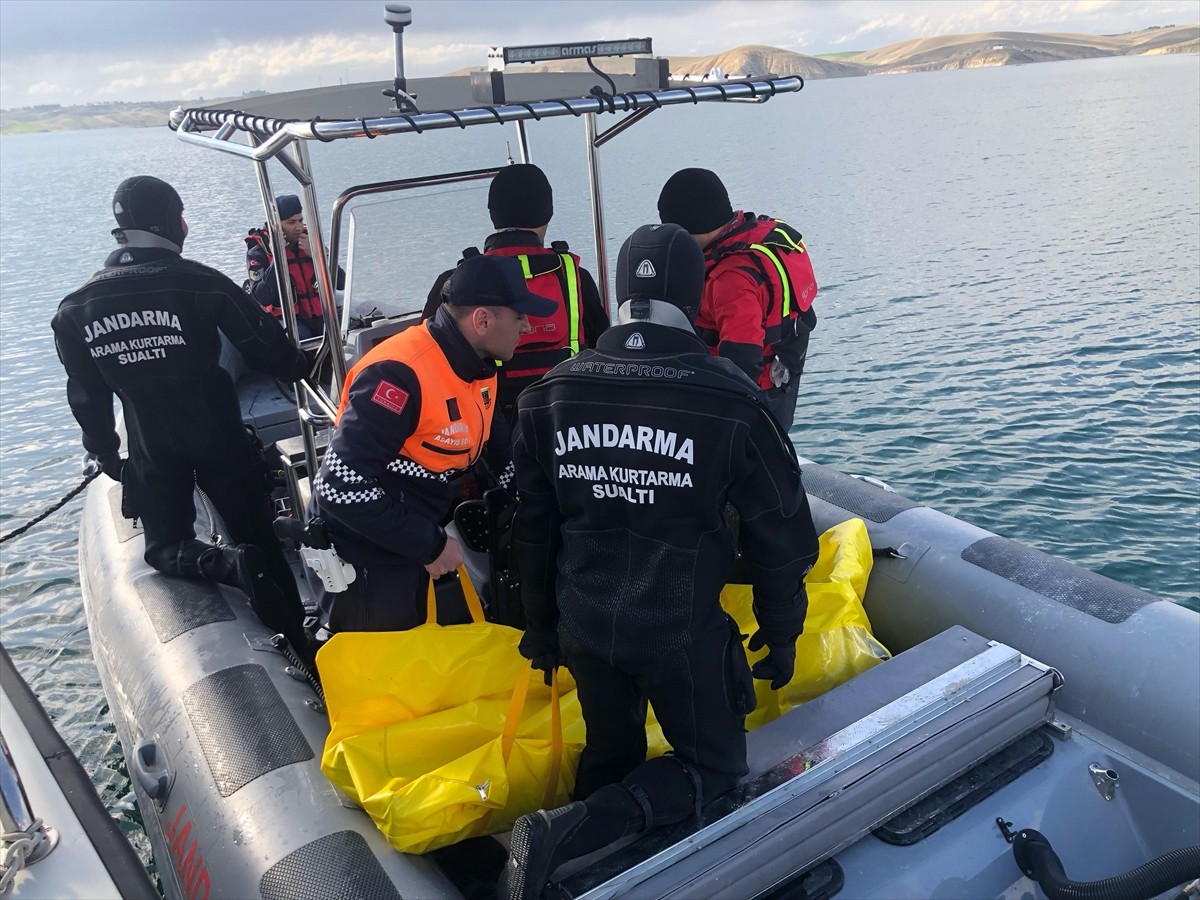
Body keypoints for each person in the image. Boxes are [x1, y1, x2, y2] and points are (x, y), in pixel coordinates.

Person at [499, 223, 821, 899]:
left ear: (619, 292)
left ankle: (568, 853)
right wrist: (783, 629)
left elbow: (533, 529)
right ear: (693, 290)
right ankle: (573, 835)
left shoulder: (548, 396)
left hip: (585, 623)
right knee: (711, 769)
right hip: (681, 633)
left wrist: (541, 626)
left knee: (611, 753)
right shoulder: (731, 399)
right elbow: (781, 537)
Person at [52, 175, 313, 659]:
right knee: (258, 534)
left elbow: (86, 396)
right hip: (219, 432)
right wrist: (300, 366)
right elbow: (268, 348)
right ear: (170, 221)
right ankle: (300, 639)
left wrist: (108, 454)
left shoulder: (76, 310)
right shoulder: (200, 281)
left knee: (162, 548)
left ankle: (225, 565)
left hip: (152, 443)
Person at [308, 253, 557, 633]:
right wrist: (429, 545)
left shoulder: (480, 366)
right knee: (389, 659)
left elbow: (501, 455)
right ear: (484, 320)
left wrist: (541, 510)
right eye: (519, 315)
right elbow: (339, 487)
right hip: (365, 544)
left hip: (414, 520)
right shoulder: (397, 376)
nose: (528, 325)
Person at [423, 164, 609, 423]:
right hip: (569, 425)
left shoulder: (454, 285)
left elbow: (429, 362)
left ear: (492, 214)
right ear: (550, 212)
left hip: (488, 428)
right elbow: (605, 350)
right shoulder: (577, 277)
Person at [657, 168, 818, 430]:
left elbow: (741, 363)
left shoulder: (731, 280)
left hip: (752, 399)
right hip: (784, 376)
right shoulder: (765, 234)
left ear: (689, 227)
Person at [245, 194, 343, 339]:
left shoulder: (311, 242)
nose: (298, 227)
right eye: (291, 222)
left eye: (300, 220)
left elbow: (341, 283)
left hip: (323, 313)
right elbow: (262, 297)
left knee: (350, 331)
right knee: (301, 338)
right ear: (276, 224)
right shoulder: (258, 253)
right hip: (290, 319)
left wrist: (320, 256)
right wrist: (277, 259)